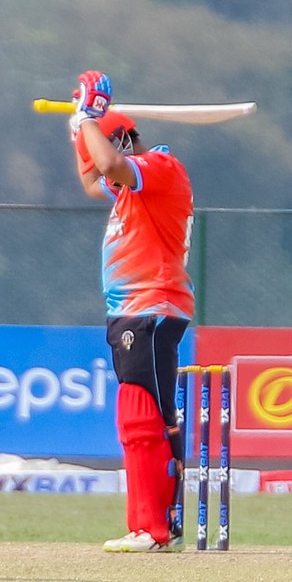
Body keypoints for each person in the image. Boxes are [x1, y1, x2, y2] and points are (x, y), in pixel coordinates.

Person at [68, 70, 196, 553]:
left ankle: (158, 528)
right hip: (130, 311)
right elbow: (91, 179)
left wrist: (89, 118)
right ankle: (147, 526)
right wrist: (81, 125)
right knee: (135, 418)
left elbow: (109, 163)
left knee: (148, 418)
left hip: (152, 306)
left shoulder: (161, 168)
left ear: (121, 139)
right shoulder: (127, 190)